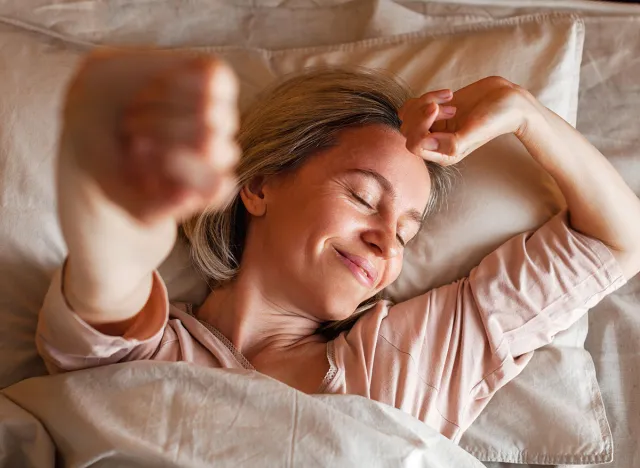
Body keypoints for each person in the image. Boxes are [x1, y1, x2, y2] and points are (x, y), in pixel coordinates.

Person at [36, 51, 640, 442]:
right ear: (260, 184)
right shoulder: (143, 355)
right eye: (360, 196)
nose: (385, 240)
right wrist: (121, 185)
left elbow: (619, 243)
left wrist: (524, 111)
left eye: (407, 230)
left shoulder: (411, 357)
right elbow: (110, 262)